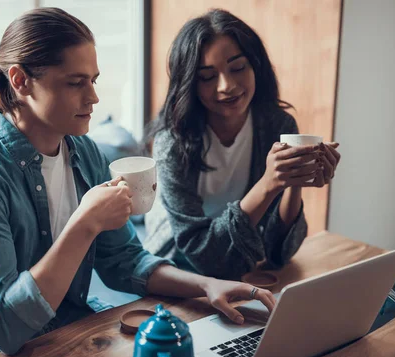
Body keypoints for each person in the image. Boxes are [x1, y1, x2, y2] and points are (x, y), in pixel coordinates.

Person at [0, 7, 276, 357]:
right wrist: (85, 224)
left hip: (65, 329)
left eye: (93, 80)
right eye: (75, 83)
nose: (93, 97)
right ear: (20, 81)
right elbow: (5, 329)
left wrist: (208, 286)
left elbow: (126, 261)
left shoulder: (82, 151)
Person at [144, 9, 341, 280]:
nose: (226, 86)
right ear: (190, 83)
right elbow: (202, 254)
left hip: (242, 248)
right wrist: (268, 184)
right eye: (207, 77)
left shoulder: (276, 125)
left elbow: (278, 253)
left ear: (255, 66)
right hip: (178, 259)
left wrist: (293, 181)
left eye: (238, 68)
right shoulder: (172, 144)